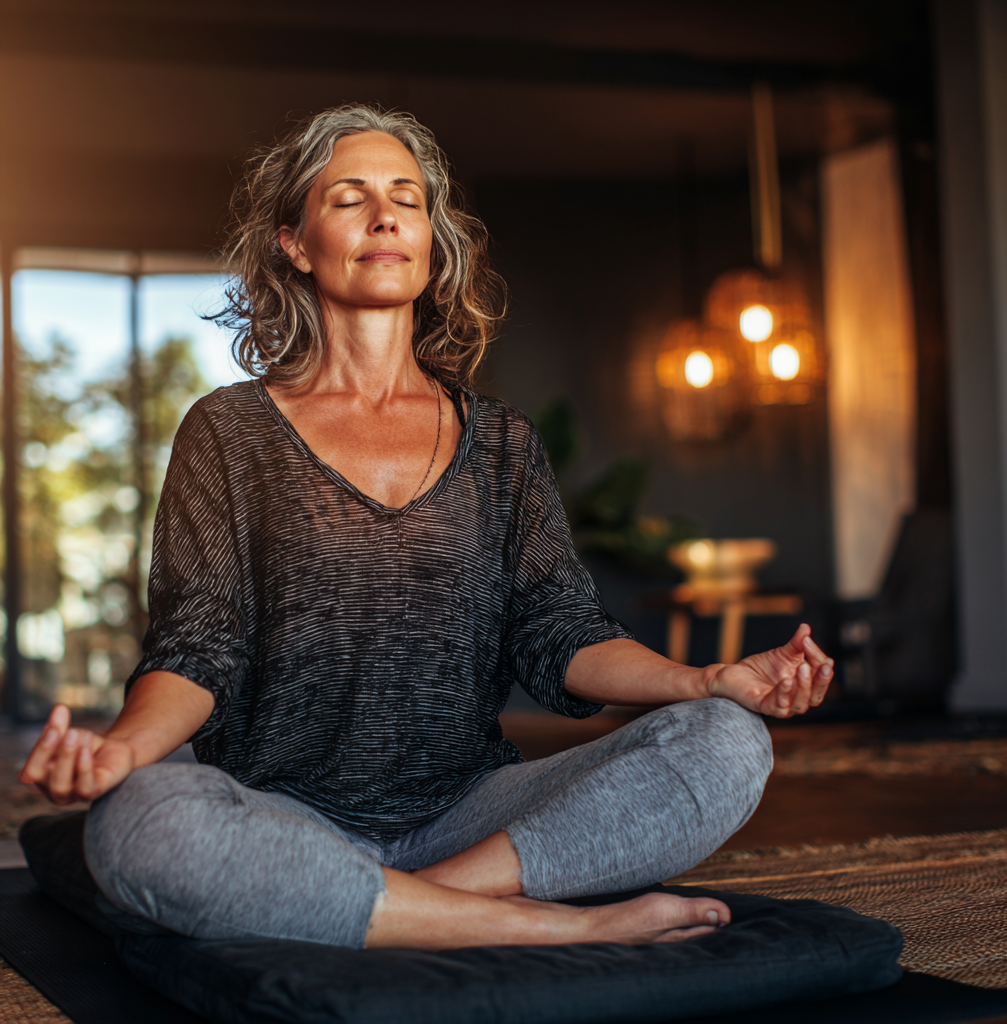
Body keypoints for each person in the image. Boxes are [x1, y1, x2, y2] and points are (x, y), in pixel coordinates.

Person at [20, 104, 833, 952]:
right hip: (284, 813)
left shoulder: (504, 442)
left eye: (406, 198)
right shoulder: (229, 432)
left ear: (430, 240)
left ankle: (397, 909)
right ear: (294, 242)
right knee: (139, 819)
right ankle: (542, 928)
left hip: (469, 819)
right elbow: (198, 645)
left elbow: (557, 636)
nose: (385, 215)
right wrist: (119, 752)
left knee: (727, 744)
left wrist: (708, 681)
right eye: (349, 197)